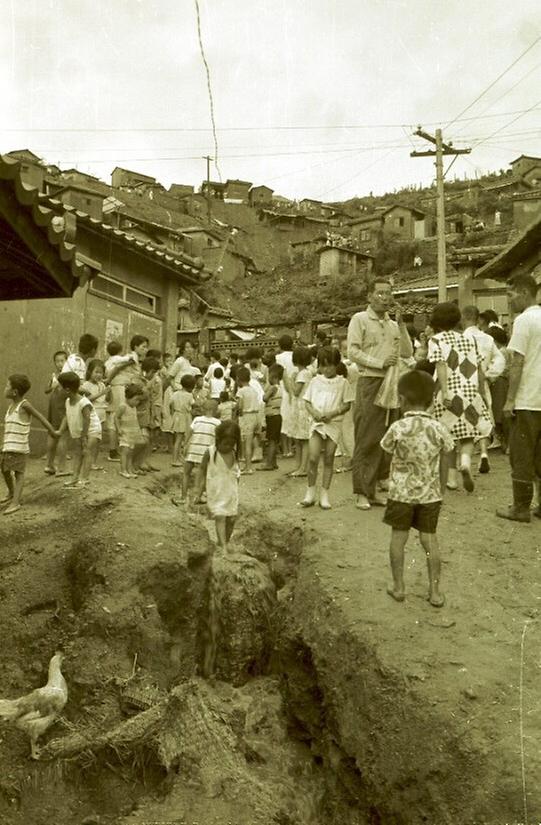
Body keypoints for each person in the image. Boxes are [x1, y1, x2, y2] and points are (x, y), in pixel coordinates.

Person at [381, 370, 455, 608]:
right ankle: (434, 592)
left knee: (398, 539)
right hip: (430, 494)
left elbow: (386, 454)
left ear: (401, 400)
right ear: (433, 400)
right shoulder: (439, 428)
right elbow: (445, 459)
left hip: (401, 494)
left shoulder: (397, 428)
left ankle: (399, 587)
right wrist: (440, 489)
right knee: (430, 540)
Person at [347, 279, 413, 510]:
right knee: (367, 436)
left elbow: (407, 352)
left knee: (386, 436)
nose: (385, 297)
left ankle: (374, 489)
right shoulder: (360, 319)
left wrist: (402, 325)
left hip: (391, 384)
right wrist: (379, 363)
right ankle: (361, 493)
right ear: (370, 296)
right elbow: (352, 351)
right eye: (380, 293)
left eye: (389, 293)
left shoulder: (393, 325)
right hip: (369, 382)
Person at [428, 302, 492, 494]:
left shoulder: (436, 340)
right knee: (468, 434)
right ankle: (465, 461)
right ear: (457, 319)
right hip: (471, 392)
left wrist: (444, 392)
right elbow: (479, 370)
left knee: (447, 437)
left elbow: (440, 366)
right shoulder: (469, 340)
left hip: (449, 393)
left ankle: (452, 479)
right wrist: (482, 393)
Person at [496, 273, 541, 523]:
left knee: (522, 454)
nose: (508, 300)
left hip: (528, 400)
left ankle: (521, 508)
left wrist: (510, 399)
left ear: (524, 293)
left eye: (510, 295)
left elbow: (517, 362)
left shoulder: (524, 320)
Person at [301, 347, 355, 510]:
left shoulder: (343, 383)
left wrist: (332, 413)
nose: (327, 369)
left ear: (336, 364)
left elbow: (347, 404)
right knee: (313, 457)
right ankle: (310, 492)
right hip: (317, 423)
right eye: (323, 366)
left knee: (330, 457)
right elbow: (307, 402)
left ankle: (324, 494)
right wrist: (315, 413)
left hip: (333, 423)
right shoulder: (315, 381)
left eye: (330, 365)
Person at [1, 374, 59, 515]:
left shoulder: (24, 405)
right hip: (8, 446)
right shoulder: (11, 407)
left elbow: (40, 417)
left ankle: (16, 502)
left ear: (14, 392)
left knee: (19, 474)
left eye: (7, 386)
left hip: (19, 447)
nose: (4, 388)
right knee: (4, 470)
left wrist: (53, 431)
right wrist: (3, 444)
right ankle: (11, 493)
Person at [462, 305, 506, 473]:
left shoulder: (460, 338)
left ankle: (466, 458)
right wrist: (489, 374)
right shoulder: (487, 339)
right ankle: (484, 453)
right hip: (482, 383)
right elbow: (500, 359)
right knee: (483, 417)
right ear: (477, 318)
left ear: (464, 317)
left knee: (466, 420)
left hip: (463, 384)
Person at [194, 421, 241, 553]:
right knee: (220, 517)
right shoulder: (210, 452)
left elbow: (236, 473)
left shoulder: (234, 453)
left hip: (230, 493)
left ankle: (223, 542)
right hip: (216, 493)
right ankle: (223, 545)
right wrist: (199, 490)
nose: (228, 447)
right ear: (218, 439)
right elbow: (202, 470)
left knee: (231, 519)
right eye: (225, 444)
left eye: (231, 444)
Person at [57, 372, 102, 488]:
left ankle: (84, 478)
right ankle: (74, 478)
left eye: (60, 387)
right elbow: (67, 416)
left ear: (67, 389)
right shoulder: (68, 401)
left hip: (91, 430)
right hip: (79, 431)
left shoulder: (84, 402)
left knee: (86, 452)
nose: (58, 390)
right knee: (77, 453)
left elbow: (87, 420)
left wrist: (84, 436)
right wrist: (61, 430)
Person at [179, 399, 221, 501]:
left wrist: (184, 445)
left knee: (186, 473)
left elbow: (189, 432)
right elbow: (218, 439)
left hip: (193, 450)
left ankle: (183, 496)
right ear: (214, 410)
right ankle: (198, 497)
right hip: (206, 453)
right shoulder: (217, 423)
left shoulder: (197, 420)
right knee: (205, 475)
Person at [104, 341, 136, 462]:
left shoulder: (107, 362)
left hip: (112, 389)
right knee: (118, 418)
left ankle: (114, 449)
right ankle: (115, 450)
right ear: (119, 350)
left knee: (112, 419)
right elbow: (130, 358)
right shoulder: (119, 359)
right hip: (120, 389)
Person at [288, 347, 313, 477]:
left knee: (303, 439)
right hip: (302, 407)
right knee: (300, 439)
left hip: (302, 408)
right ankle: (300, 467)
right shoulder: (307, 372)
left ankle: (302, 467)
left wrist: (291, 380)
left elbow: (296, 391)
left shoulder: (302, 374)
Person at [81, 359, 110, 470]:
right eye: (96, 372)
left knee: (98, 440)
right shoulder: (86, 385)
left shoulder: (102, 384)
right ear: (90, 372)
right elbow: (87, 399)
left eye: (101, 372)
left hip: (102, 414)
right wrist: (101, 393)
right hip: (93, 415)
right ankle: (86, 461)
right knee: (91, 439)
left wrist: (108, 393)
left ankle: (93, 462)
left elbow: (106, 399)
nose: (98, 375)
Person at [44, 350, 69, 477]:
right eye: (57, 361)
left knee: (54, 434)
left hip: (58, 404)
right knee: (61, 435)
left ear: (67, 361)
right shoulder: (60, 376)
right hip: (59, 406)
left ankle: (50, 465)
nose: (59, 364)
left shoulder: (67, 374)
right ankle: (60, 468)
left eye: (62, 361)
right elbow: (46, 390)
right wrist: (54, 385)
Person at [488, 326, 512, 452]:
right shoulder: (503, 350)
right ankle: (504, 442)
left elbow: (502, 370)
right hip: (499, 383)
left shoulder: (502, 351)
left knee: (501, 413)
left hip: (500, 383)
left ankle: (506, 443)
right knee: (499, 413)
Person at [115, 383, 145, 479]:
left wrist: (141, 414)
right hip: (125, 432)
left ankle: (129, 469)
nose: (137, 402)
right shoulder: (123, 406)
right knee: (125, 452)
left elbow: (133, 417)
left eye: (139, 400)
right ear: (128, 397)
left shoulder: (133, 407)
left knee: (131, 452)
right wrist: (119, 429)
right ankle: (123, 470)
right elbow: (116, 417)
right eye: (136, 399)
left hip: (132, 433)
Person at [236, 366, 260, 475]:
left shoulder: (241, 391)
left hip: (246, 416)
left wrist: (237, 411)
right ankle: (248, 465)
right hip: (255, 416)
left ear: (238, 379)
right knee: (251, 441)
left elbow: (240, 406)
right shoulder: (253, 390)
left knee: (246, 443)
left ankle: (248, 467)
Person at [258, 363, 283, 471]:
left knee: (271, 440)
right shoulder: (281, 387)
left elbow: (264, 398)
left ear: (274, 377)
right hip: (277, 415)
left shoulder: (273, 388)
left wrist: (265, 391)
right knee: (275, 440)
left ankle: (269, 463)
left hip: (272, 416)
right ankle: (273, 463)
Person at [275, 334, 296, 458]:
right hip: (295, 388)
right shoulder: (296, 356)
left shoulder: (278, 358)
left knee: (283, 419)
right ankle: (292, 448)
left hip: (282, 389)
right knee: (292, 418)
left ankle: (285, 449)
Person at [171, 374, 196, 467]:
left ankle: (177, 457)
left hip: (176, 415)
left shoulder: (175, 393)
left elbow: (171, 404)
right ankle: (175, 459)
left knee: (177, 438)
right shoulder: (189, 395)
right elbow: (193, 404)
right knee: (181, 439)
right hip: (185, 416)